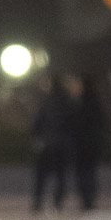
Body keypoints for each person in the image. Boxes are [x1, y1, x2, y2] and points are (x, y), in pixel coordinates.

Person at [30, 74, 73, 212]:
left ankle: (38, 202)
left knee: (41, 176)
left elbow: (38, 122)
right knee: (60, 176)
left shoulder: (47, 102)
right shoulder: (67, 102)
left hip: (48, 145)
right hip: (60, 145)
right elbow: (72, 124)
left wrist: (36, 137)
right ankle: (57, 202)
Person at [70, 74, 106, 210]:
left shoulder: (79, 104)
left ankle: (87, 200)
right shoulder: (94, 103)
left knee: (84, 174)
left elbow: (74, 126)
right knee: (89, 174)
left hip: (83, 146)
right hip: (90, 146)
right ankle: (88, 200)